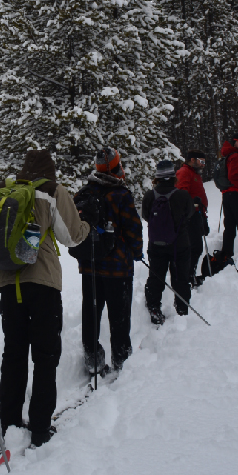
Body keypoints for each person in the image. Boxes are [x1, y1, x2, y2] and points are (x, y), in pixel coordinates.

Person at [0, 150, 89, 448]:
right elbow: (72, 236)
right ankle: (39, 427)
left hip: (9, 284)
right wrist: (86, 223)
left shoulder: (9, 192)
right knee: (46, 355)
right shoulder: (51, 191)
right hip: (43, 284)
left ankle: (9, 421)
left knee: (14, 354)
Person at [75, 148, 143, 376]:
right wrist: (136, 251)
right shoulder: (121, 194)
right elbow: (133, 227)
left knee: (91, 312)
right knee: (119, 315)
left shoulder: (84, 193)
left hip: (90, 264)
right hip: (117, 268)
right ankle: (121, 360)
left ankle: (92, 358)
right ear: (116, 168)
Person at [142, 160, 194, 324]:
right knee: (181, 278)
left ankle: (154, 309)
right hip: (180, 244)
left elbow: (145, 215)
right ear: (173, 176)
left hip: (156, 244)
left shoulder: (149, 196)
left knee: (156, 277)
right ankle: (182, 310)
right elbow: (189, 214)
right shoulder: (183, 195)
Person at [203, 132, 238, 279]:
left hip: (227, 195)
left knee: (230, 227)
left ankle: (226, 256)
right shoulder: (236, 156)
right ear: (234, 143)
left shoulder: (227, 155)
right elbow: (234, 177)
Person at [175, 150, 210, 286]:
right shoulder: (184, 172)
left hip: (197, 214)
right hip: (189, 217)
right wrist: (192, 207)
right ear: (192, 160)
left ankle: (190, 275)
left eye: (204, 162)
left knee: (196, 247)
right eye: (201, 161)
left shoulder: (194, 173)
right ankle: (188, 277)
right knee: (194, 248)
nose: (203, 165)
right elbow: (182, 194)